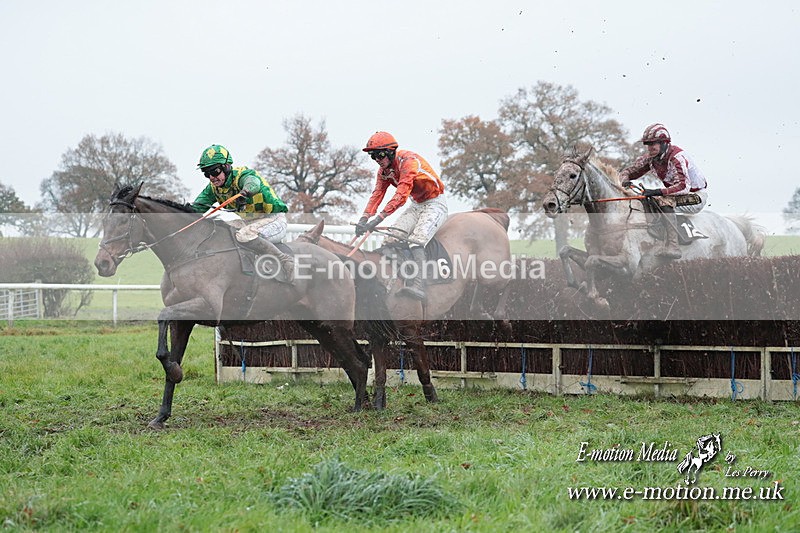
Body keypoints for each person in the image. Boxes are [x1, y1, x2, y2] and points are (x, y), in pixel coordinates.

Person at [355, 131, 448, 300]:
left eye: (380, 154)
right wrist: (363, 218)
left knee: (416, 241)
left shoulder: (409, 161)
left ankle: (419, 285)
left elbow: (401, 194)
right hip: (416, 205)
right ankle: (394, 278)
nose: (377, 159)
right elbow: (377, 194)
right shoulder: (383, 172)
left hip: (435, 203)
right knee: (390, 239)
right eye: (373, 156)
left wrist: (378, 219)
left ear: (391, 151)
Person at [191, 144, 294, 283]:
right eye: (206, 173)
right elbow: (195, 209)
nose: (211, 177)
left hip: (274, 219)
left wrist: (245, 192)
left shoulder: (243, 175)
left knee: (244, 235)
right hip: (250, 223)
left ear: (226, 167)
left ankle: (285, 260)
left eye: (214, 171)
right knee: (220, 229)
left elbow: (253, 183)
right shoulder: (213, 189)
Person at [620, 123, 709, 259]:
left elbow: (683, 187)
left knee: (663, 202)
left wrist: (657, 191)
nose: (650, 148)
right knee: (645, 200)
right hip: (676, 193)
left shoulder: (677, 158)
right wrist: (625, 179)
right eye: (648, 144)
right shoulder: (651, 158)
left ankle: (673, 246)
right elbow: (629, 171)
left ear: (664, 143)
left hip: (695, 195)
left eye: (653, 144)